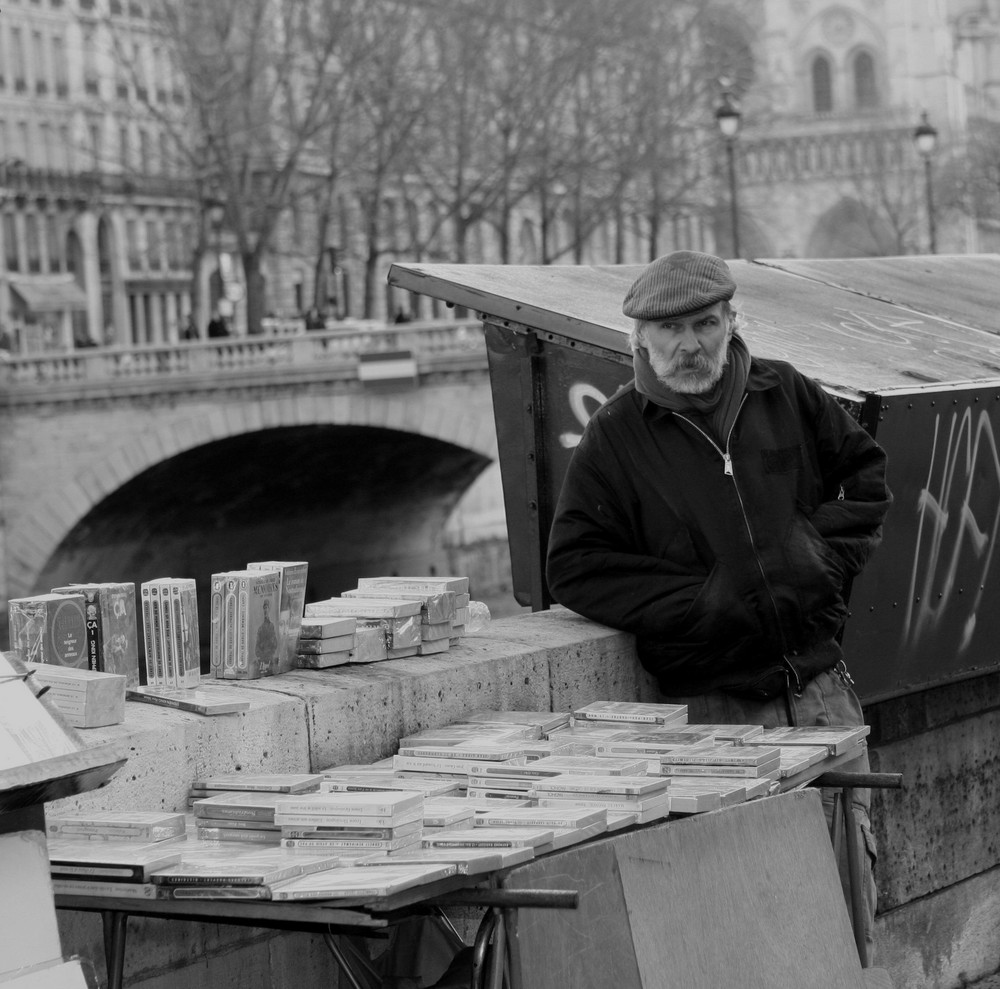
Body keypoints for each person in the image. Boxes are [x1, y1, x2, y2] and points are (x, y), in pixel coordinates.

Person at [545, 250, 892, 953]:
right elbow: (575, 567)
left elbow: (866, 480)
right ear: (638, 339)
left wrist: (816, 556)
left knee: (851, 910)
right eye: (668, 330)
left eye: (704, 323)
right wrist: (700, 600)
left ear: (733, 320)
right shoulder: (616, 436)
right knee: (750, 929)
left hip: (821, 692)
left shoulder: (786, 393)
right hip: (712, 717)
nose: (689, 345)